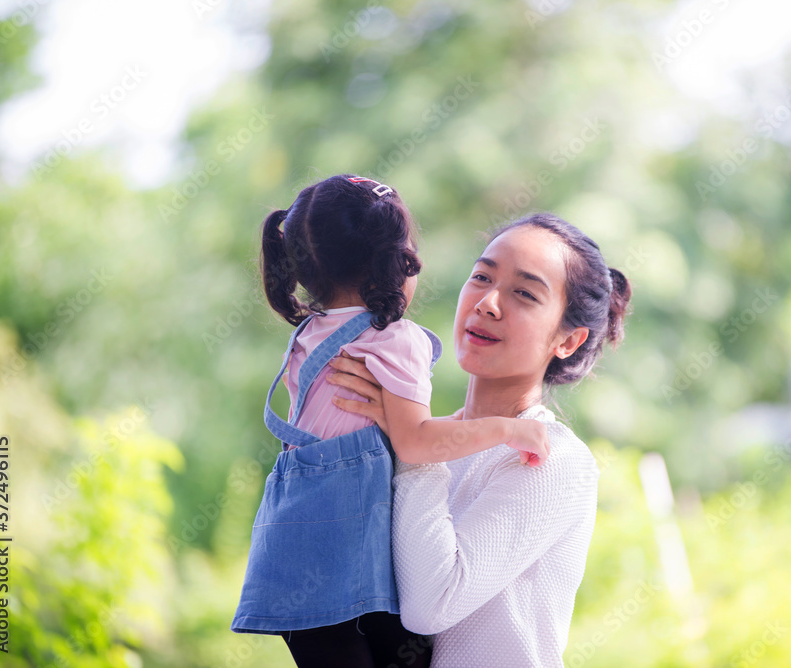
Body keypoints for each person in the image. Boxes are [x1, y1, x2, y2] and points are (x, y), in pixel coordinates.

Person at [230, 175, 551, 668]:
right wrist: (509, 429)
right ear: (397, 265)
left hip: (290, 552)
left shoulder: (308, 335)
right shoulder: (395, 341)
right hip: (351, 554)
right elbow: (417, 443)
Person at [329, 212, 632, 667]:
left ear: (568, 340)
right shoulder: (409, 439)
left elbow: (432, 604)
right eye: (481, 277)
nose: (488, 303)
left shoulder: (551, 456)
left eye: (525, 293)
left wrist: (416, 446)